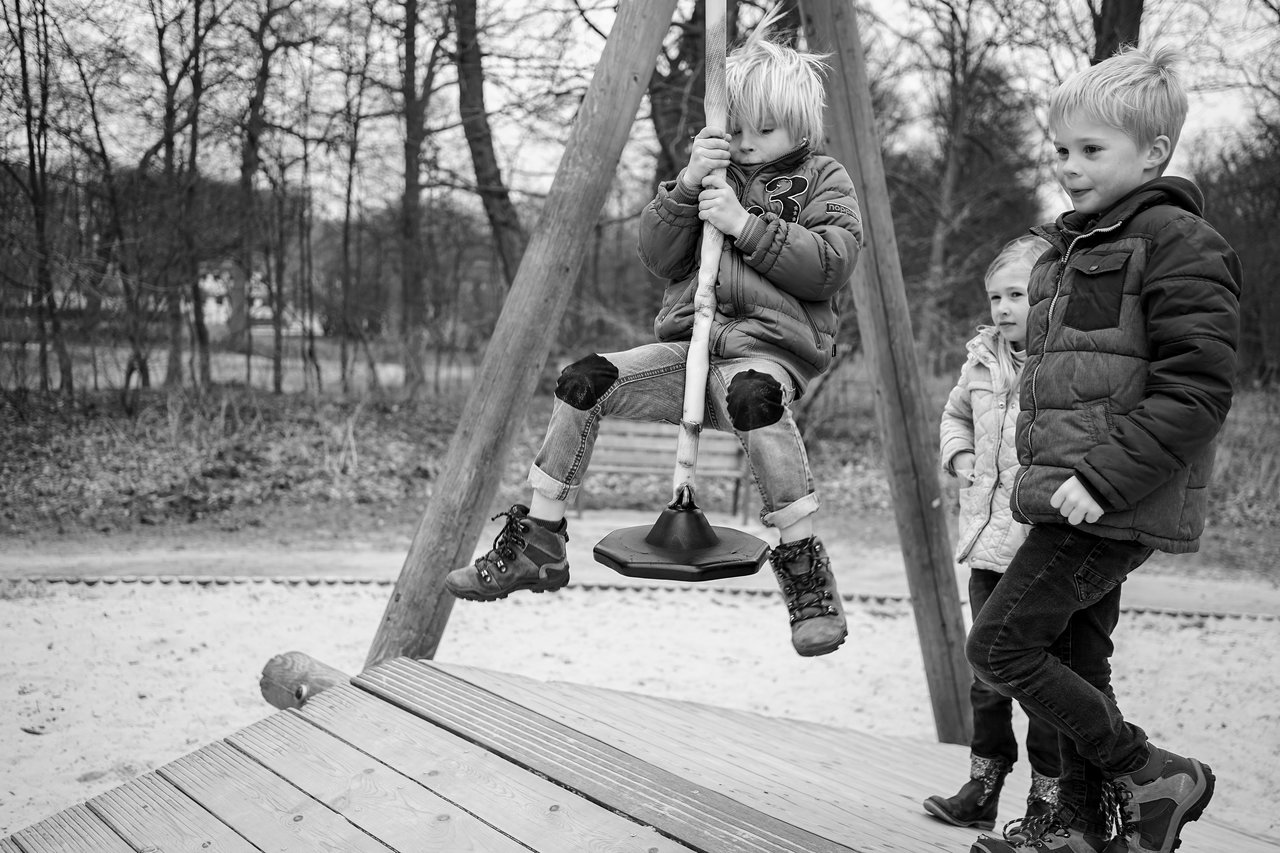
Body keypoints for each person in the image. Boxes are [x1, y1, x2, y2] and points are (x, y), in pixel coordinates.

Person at [444, 12, 863, 658]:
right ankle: (541, 539)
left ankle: (804, 567)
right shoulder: (711, 175)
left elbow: (831, 264)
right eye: (738, 128)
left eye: (766, 129)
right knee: (583, 378)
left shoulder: (825, 182)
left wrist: (747, 226)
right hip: (687, 352)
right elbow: (658, 253)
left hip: (766, 357)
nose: (747, 142)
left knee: (755, 396)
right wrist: (690, 185)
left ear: (802, 126)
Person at [965, 46, 1242, 853]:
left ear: (1152, 152)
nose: (1070, 168)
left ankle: (1152, 770)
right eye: (1061, 150)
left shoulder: (1179, 243)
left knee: (1001, 645)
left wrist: (1099, 476)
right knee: (1077, 659)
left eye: (1092, 150)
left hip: (1107, 499)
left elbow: (1197, 391)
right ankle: (1079, 829)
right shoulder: (1076, 247)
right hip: (1073, 493)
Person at [924, 235, 1061, 835]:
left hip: (1039, 548)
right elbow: (955, 416)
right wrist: (959, 458)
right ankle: (983, 783)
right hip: (987, 544)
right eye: (996, 296)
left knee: (1039, 676)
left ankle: (1050, 798)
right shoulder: (981, 359)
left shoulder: (1062, 364)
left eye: (1018, 295)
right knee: (986, 674)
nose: (1004, 308)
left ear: (1050, 296)